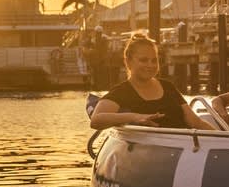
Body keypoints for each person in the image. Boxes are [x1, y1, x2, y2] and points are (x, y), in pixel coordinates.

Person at [89, 34, 219, 131]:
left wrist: (223, 139)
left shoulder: (168, 86)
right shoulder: (122, 92)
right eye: (143, 60)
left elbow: (195, 122)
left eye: (154, 60)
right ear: (128, 61)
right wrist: (135, 117)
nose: (150, 65)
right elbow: (96, 120)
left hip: (185, 146)